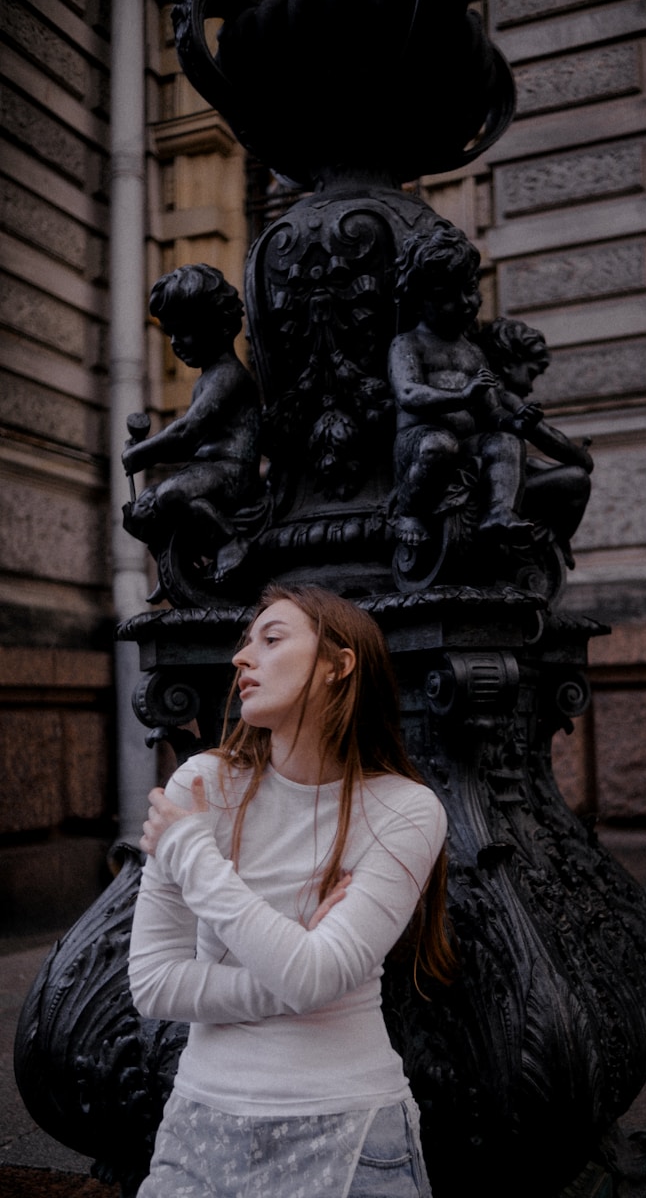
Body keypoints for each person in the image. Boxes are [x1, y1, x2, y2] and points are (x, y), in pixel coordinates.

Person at [128, 584, 454, 1198]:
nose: (241, 659)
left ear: (338, 664)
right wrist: (299, 968)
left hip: (352, 1128)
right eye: (246, 643)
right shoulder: (202, 785)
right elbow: (153, 982)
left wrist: (194, 856)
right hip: (203, 1125)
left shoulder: (406, 809)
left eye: (271, 639)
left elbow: (311, 976)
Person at [388, 226, 535, 548]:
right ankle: (408, 510)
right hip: (419, 440)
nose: (466, 303)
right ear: (419, 300)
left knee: (505, 442)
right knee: (440, 445)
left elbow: (491, 410)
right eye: (446, 296)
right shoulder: (408, 344)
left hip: (465, 441)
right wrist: (462, 396)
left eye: (470, 289)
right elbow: (409, 394)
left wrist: (514, 422)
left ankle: (498, 511)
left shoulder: (472, 351)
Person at [122, 263, 264, 575]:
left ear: (219, 325)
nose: (174, 343)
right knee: (143, 506)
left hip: (233, 473)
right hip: (207, 470)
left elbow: (187, 432)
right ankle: (176, 568)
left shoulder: (228, 376)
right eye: (170, 332)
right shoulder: (207, 377)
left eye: (183, 331)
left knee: (172, 494)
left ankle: (230, 541)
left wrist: (140, 453)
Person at [479, 316, 594, 564]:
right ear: (508, 364)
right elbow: (546, 436)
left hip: (489, 473)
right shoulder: (503, 396)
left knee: (538, 467)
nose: (531, 387)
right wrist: (582, 457)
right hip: (486, 484)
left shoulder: (489, 390)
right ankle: (556, 538)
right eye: (531, 373)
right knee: (577, 480)